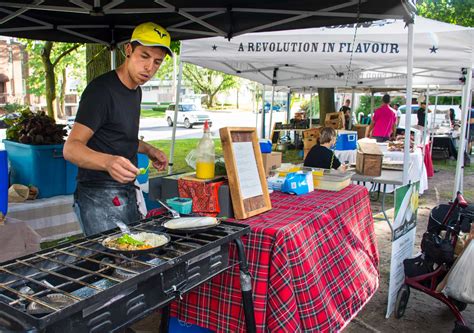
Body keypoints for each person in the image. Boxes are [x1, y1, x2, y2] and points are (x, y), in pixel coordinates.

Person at [64, 22, 171, 236]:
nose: (149, 68)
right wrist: (108, 162)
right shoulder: (101, 91)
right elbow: (71, 148)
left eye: (157, 62)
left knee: (134, 261)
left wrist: (149, 150)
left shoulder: (136, 91)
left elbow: (118, 135)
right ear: (128, 50)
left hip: (127, 189)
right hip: (97, 192)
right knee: (109, 262)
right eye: (144, 56)